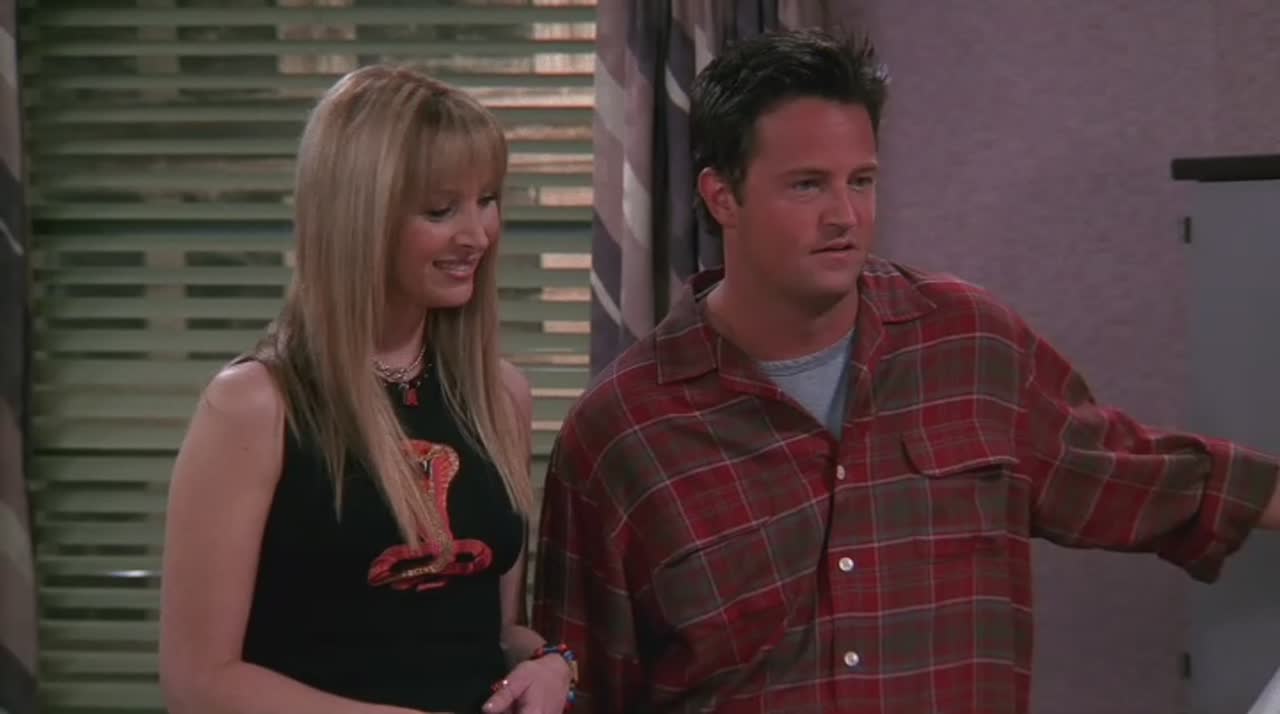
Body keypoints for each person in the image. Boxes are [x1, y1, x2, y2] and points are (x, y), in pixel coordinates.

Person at [531, 29, 1280, 714]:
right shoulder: (622, 433)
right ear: (721, 196)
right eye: (807, 185)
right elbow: (576, 678)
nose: (844, 216)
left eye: (860, 181)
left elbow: (1138, 476)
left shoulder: (969, 348)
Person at [159, 65, 574, 714]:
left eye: (487, 200)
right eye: (441, 210)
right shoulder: (255, 406)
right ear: (360, 216)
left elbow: (492, 632)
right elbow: (199, 682)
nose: (477, 235)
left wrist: (549, 664)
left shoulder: (499, 396)